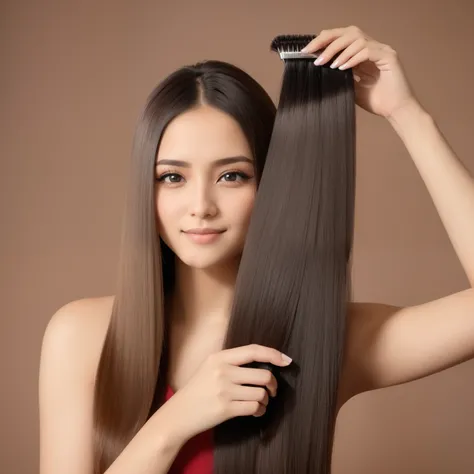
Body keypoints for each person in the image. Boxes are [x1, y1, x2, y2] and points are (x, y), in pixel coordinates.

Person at [39, 25, 474, 474]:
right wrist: (175, 421)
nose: (201, 207)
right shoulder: (81, 337)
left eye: (232, 176)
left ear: (270, 186)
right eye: (173, 177)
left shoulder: (322, 337)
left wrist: (407, 115)